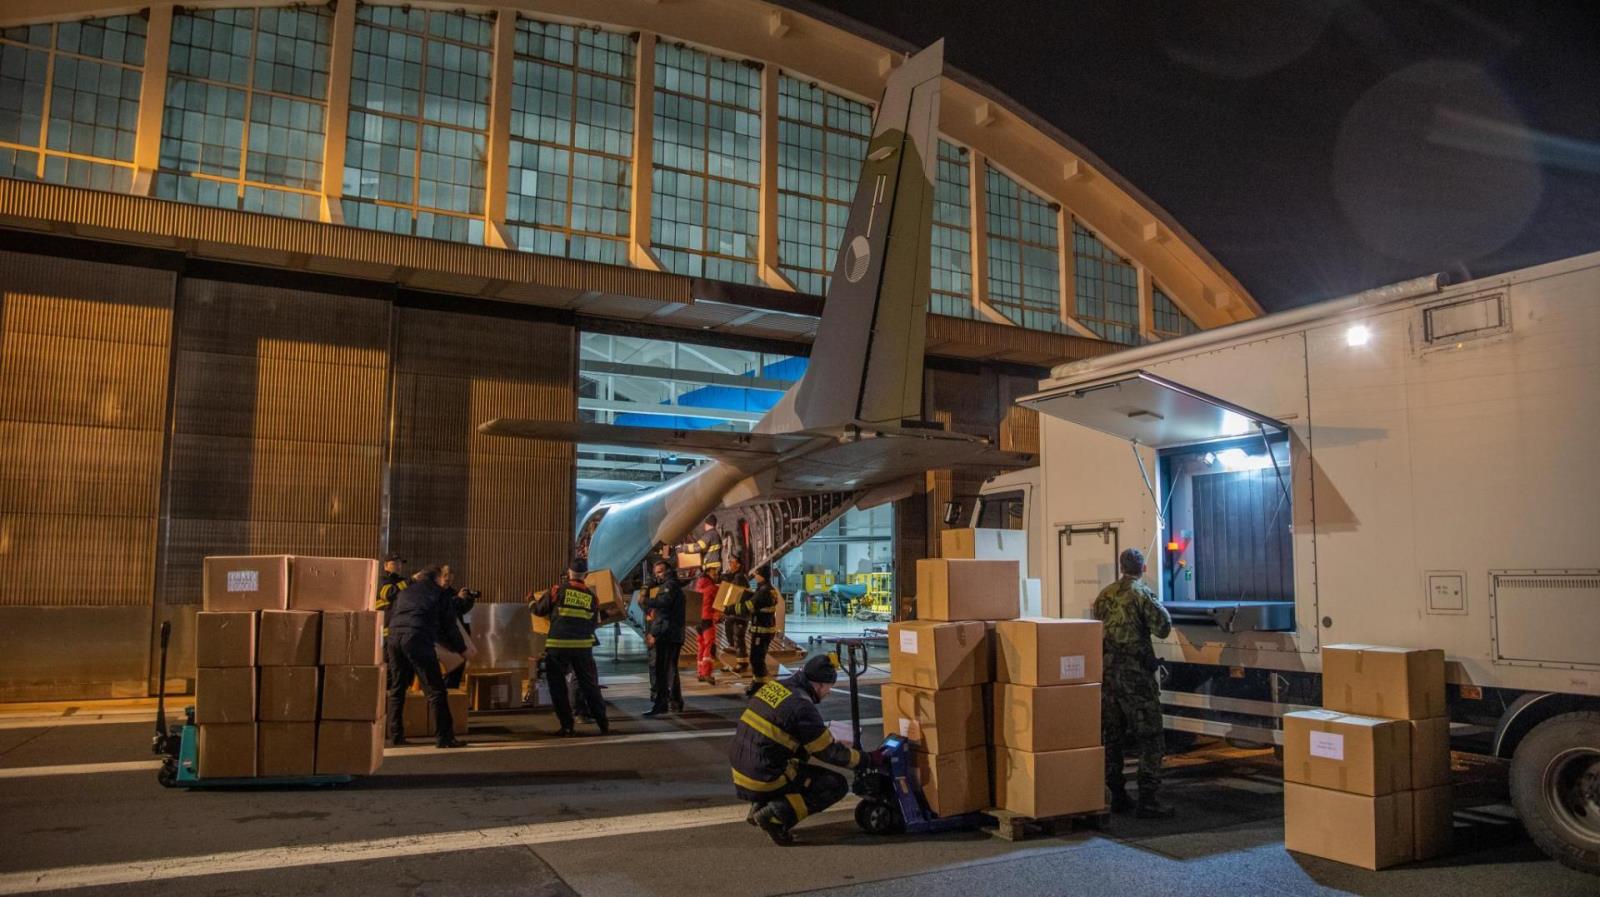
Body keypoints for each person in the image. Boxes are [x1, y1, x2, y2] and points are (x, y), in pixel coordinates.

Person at [730, 653, 872, 845]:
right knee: (834, 785)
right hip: (763, 776)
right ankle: (774, 817)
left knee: (800, 755)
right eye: (829, 687)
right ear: (819, 685)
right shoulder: (802, 706)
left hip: (742, 770)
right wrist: (866, 760)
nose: (828, 692)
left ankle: (761, 804)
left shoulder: (775, 687)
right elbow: (829, 752)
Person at [1092, 547, 1174, 818]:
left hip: (1109, 677)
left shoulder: (1104, 595)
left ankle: (1117, 795)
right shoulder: (1142, 594)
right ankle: (1148, 799)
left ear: (1121, 567)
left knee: (1113, 737)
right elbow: (1163, 628)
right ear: (1143, 569)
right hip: (1136, 679)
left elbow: (1097, 626)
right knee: (1151, 737)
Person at [386, 566, 466, 749]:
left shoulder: (405, 592)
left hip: (394, 639)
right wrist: (461, 649)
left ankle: (396, 735)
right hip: (417, 638)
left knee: (398, 687)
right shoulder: (439, 593)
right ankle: (445, 738)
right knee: (436, 690)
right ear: (437, 578)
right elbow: (449, 626)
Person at [532, 559, 609, 737]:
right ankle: (603, 724)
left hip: (558, 646)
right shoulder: (592, 597)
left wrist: (530, 601)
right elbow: (594, 623)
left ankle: (567, 727)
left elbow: (539, 610)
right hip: (583, 647)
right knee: (589, 686)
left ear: (569, 573)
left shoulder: (557, 590)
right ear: (586, 575)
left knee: (558, 687)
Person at [641, 559, 686, 718]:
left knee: (663, 670)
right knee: (669, 669)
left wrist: (654, 633)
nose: (658, 576)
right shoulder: (672, 585)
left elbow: (663, 610)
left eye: (660, 572)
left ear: (667, 571)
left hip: (666, 635)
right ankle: (673, 702)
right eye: (656, 573)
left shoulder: (669, 586)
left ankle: (662, 704)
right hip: (672, 634)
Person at [738, 564, 780, 696]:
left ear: (762, 576)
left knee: (756, 658)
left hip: (761, 631)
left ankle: (759, 685)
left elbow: (748, 607)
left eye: (757, 574)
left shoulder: (763, 591)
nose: (755, 576)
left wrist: (729, 609)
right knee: (758, 658)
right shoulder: (769, 589)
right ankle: (758, 682)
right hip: (764, 630)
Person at [439, 565, 478, 690]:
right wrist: (458, 598)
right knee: (448, 668)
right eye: (446, 578)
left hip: (458, 635)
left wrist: (469, 600)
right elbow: (443, 608)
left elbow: (462, 611)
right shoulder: (436, 592)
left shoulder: (453, 592)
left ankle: (453, 693)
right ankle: (446, 691)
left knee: (459, 666)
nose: (448, 581)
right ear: (440, 576)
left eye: (450, 578)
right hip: (444, 638)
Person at [375, 552, 407, 683]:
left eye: (400, 563)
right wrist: (410, 582)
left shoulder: (402, 582)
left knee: (401, 666)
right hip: (386, 631)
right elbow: (388, 593)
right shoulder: (382, 581)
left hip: (400, 630)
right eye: (394, 563)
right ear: (385, 566)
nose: (398, 566)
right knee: (388, 663)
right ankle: (385, 692)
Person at [720, 556, 751, 672]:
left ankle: (742, 664)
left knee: (738, 639)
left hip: (739, 615)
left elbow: (735, 595)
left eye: (732, 562)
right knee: (733, 641)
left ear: (738, 565)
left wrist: (728, 609)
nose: (729, 564)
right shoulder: (735, 576)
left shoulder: (739, 578)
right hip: (734, 614)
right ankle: (734, 663)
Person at [694, 570, 721, 684]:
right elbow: (719, 603)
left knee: (701, 645)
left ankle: (700, 673)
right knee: (709, 646)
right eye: (714, 574)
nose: (716, 576)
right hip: (707, 619)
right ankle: (706, 674)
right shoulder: (713, 588)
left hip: (697, 619)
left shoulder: (698, 585)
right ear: (708, 573)